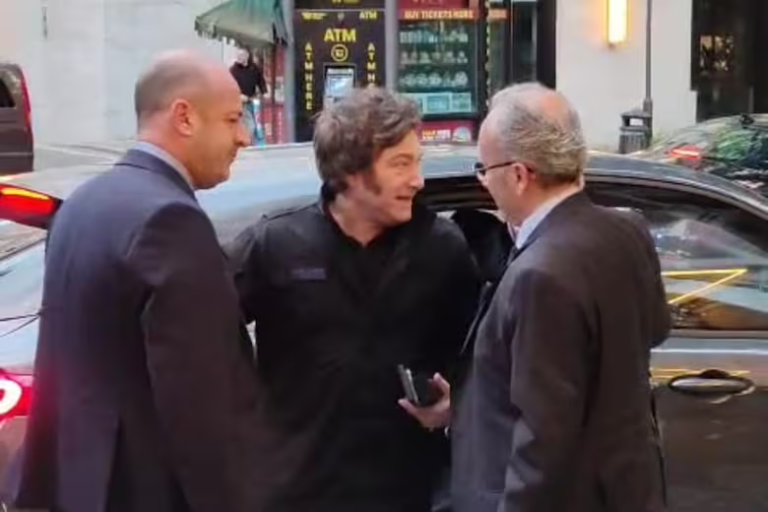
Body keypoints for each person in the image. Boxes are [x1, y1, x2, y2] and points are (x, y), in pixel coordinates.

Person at [4, 50, 255, 512]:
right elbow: (197, 401)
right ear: (184, 117)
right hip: (143, 489)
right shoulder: (171, 219)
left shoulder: (83, 202)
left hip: (78, 484)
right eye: (233, 119)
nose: (244, 137)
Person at [226, 86, 480, 512]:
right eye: (401, 164)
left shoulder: (442, 247)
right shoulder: (275, 244)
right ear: (350, 172)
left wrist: (456, 404)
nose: (417, 180)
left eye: (417, 162)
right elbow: (202, 333)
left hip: (406, 493)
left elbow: (479, 356)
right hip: (295, 493)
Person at [451, 83, 671, 512]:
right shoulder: (628, 230)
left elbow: (543, 439)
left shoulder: (539, 274)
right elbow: (655, 328)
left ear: (519, 175)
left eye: (484, 169)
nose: (483, 181)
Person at [230, 46, 267, 145]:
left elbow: (261, 82)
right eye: (238, 55)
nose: (239, 57)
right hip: (239, 102)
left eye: (241, 55)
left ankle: (247, 143)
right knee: (250, 125)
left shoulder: (254, 68)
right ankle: (246, 144)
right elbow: (228, 86)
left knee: (254, 124)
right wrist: (238, 95)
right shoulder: (233, 70)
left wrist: (263, 93)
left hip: (251, 101)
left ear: (247, 56)